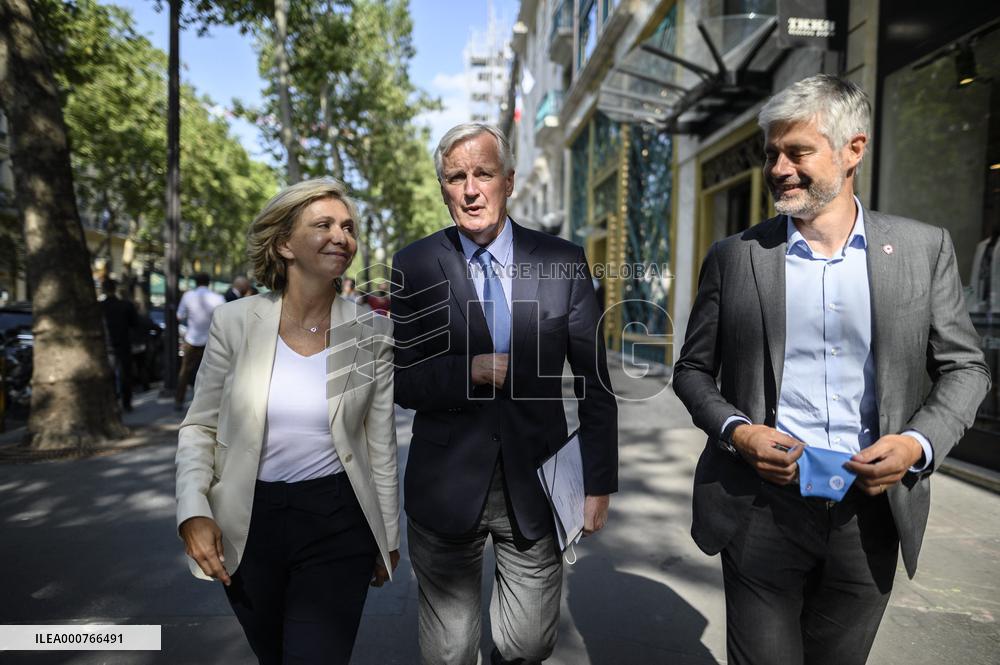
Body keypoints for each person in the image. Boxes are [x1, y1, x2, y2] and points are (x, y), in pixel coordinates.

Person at [672, 75, 990, 665]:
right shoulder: (736, 257)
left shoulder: (924, 250)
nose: (779, 168)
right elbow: (692, 371)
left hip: (869, 513)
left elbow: (966, 369)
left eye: (798, 151)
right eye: (771, 153)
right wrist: (738, 431)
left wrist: (916, 444)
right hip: (760, 507)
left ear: (853, 151)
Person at [391, 123, 618, 665]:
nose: (470, 189)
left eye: (483, 174)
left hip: (536, 481)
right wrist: (470, 371)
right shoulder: (415, 265)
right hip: (446, 487)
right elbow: (403, 379)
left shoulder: (562, 260)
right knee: (447, 653)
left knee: (527, 646)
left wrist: (598, 481)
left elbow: (595, 382)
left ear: (509, 181)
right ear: (443, 188)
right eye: (455, 177)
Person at [175, 177, 399, 665]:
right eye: (323, 225)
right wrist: (193, 509)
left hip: (338, 519)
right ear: (284, 244)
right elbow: (200, 427)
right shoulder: (235, 322)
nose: (342, 236)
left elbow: (379, 443)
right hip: (247, 524)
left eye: (349, 227)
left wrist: (388, 536)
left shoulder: (372, 332)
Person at [174, 273, 225, 409]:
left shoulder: (188, 296)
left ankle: (179, 401)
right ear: (208, 283)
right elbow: (224, 319)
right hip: (210, 340)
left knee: (185, 371)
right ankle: (208, 404)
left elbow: (179, 315)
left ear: (195, 282)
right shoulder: (217, 298)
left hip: (191, 338)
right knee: (210, 373)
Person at [99, 278, 138, 412]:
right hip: (123, 343)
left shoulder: (100, 306)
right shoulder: (126, 305)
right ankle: (126, 403)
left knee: (109, 375)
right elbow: (135, 324)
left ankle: (112, 402)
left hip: (106, 344)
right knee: (125, 375)